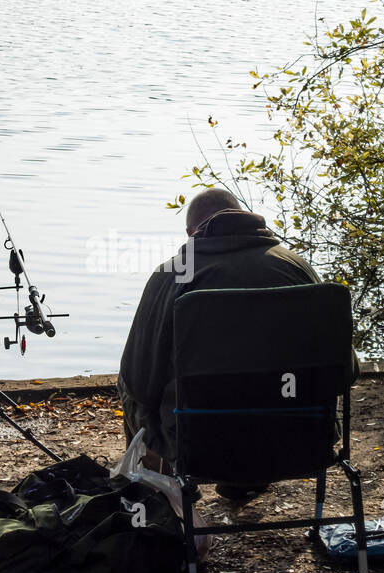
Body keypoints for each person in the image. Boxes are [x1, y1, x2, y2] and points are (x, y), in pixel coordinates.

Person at [118, 188, 337, 500]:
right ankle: (245, 480)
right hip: (302, 439)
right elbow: (344, 369)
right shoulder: (295, 267)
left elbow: (138, 378)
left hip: (201, 445)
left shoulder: (173, 274)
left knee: (129, 384)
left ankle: (159, 501)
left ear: (191, 232)